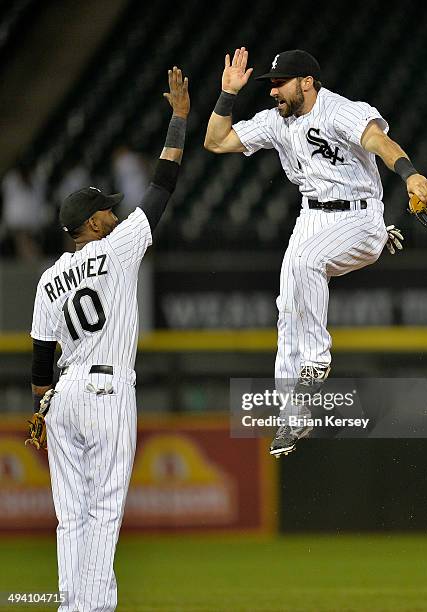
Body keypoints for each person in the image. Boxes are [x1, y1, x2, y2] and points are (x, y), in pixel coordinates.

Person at [204, 48, 427, 457]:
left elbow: (378, 140)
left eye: (280, 82)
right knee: (288, 307)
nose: (273, 90)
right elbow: (216, 141)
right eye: (271, 83)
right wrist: (226, 95)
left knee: (308, 262)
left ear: (306, 81)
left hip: (359, 215)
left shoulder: (338, 110)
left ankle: (317, 360)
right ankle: (295, 415)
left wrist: (409, 174)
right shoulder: (277, 122)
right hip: (312, 216)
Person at [29, 67, 189, 611]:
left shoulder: (48, 278)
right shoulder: (117, 248)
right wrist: (180, 118)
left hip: (62, 398)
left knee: (69, 516)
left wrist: (39, 408)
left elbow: (38, 360)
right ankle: (92, 608)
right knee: (102, 512)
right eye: (108, 208)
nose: (116, 210)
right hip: (105, 392)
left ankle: (74, 605)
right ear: (93, 223)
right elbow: (163, 184)